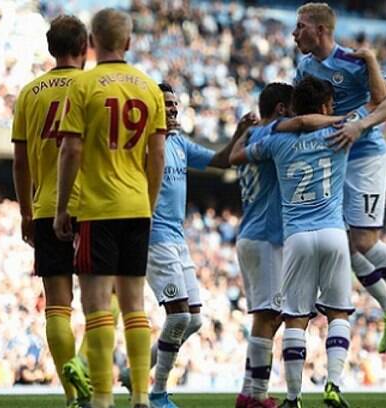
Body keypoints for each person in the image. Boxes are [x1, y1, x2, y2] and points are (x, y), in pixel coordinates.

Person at [293, 2, 386, 352]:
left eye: (301, 26)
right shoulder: (304, 66)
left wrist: (359, 123)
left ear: (321, 30)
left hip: (365, 157)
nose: (295, 34)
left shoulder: (354, 61)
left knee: (365, 241)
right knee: (342, 244)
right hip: (335, 158)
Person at [54, 8, 166, 408]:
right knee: (134, 304)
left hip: (98, 207)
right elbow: (158, 155)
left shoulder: (84, 86)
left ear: (90, 43)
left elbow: (71, 150)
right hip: (137, 205)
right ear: (129, 43)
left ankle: (102, 397)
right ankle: (140, 395)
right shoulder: (148, 86)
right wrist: (148, 203)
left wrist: (62, 207)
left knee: (98, 304)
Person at [121, 82, 256, 408]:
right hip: (154, 237)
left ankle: (135, 373)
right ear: (152, 108)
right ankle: (156, 393)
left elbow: (223, 161)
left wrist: (240, 130)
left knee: (193, 320)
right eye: (166, 105)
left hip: (177, 238)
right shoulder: (139, 144)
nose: (172, 110)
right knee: (179, 318)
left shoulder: (180, 143)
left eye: (174, 106)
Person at [231, 76, 355, 408]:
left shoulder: (265, 139)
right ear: (283, 108)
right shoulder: (328, 133)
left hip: (273, 234)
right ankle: (255, 394)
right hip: (272, 236)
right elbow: (381, 107)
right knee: (277, 316)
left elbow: (235, 156)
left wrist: (241, 131)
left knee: (280, 316)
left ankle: (278, 396)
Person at [11, 15, 91, 408]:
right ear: (85, 47)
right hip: (94, 206)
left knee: (58, 304)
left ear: (50, 48)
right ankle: (89, 366)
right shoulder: (93, 87)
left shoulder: (30, 93)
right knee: (106, 296)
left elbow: (20, 161)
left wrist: (26, 213)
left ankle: (73, 395)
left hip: (44, 207)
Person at [233, 82, 294, 408]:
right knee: (267, 315)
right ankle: (255, 395)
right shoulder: (273, 137)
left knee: (271, 316)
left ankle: (250, 390)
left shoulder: (250, 137)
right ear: (282, 109)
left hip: (255, 233)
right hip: (265, 235)